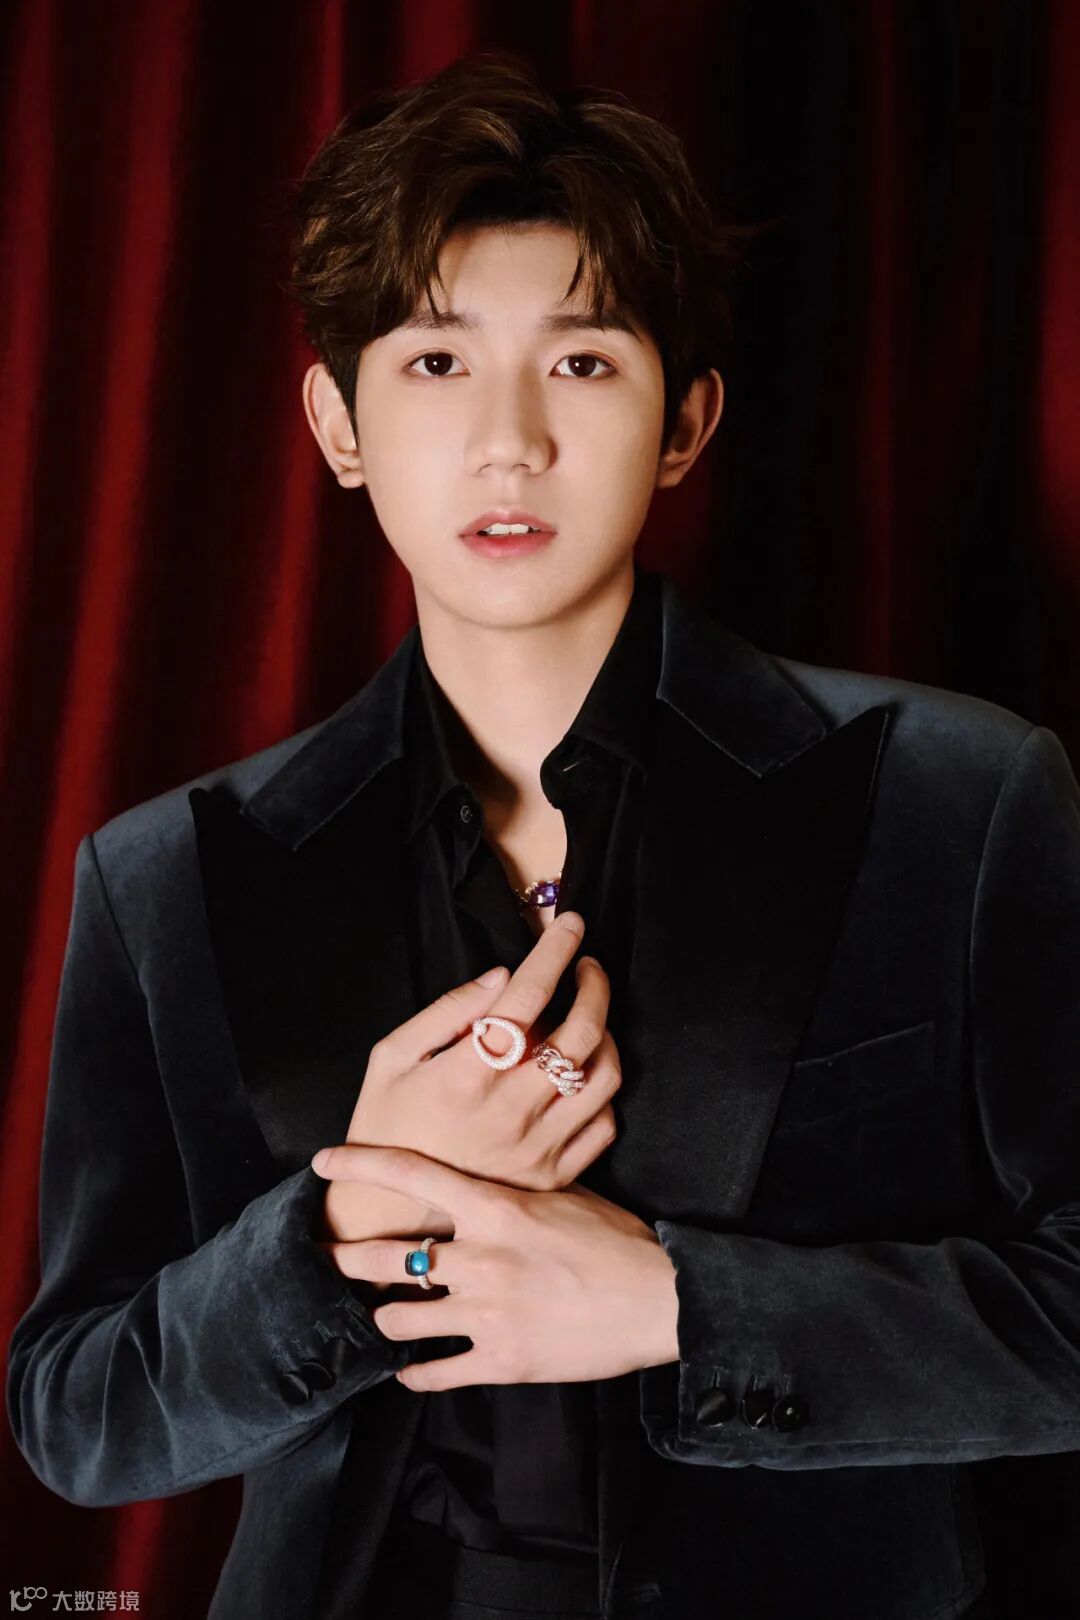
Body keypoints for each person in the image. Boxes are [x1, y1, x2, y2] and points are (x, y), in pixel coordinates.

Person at [8, 49, 1080, 1620]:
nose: (508, 439)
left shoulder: (961, 800)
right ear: (337, 421)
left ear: (686, 420)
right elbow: (75, 1412)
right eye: (436, 362)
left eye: (581, 361)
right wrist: (349, 1222)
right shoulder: (165, 876)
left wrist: (679, 1307)